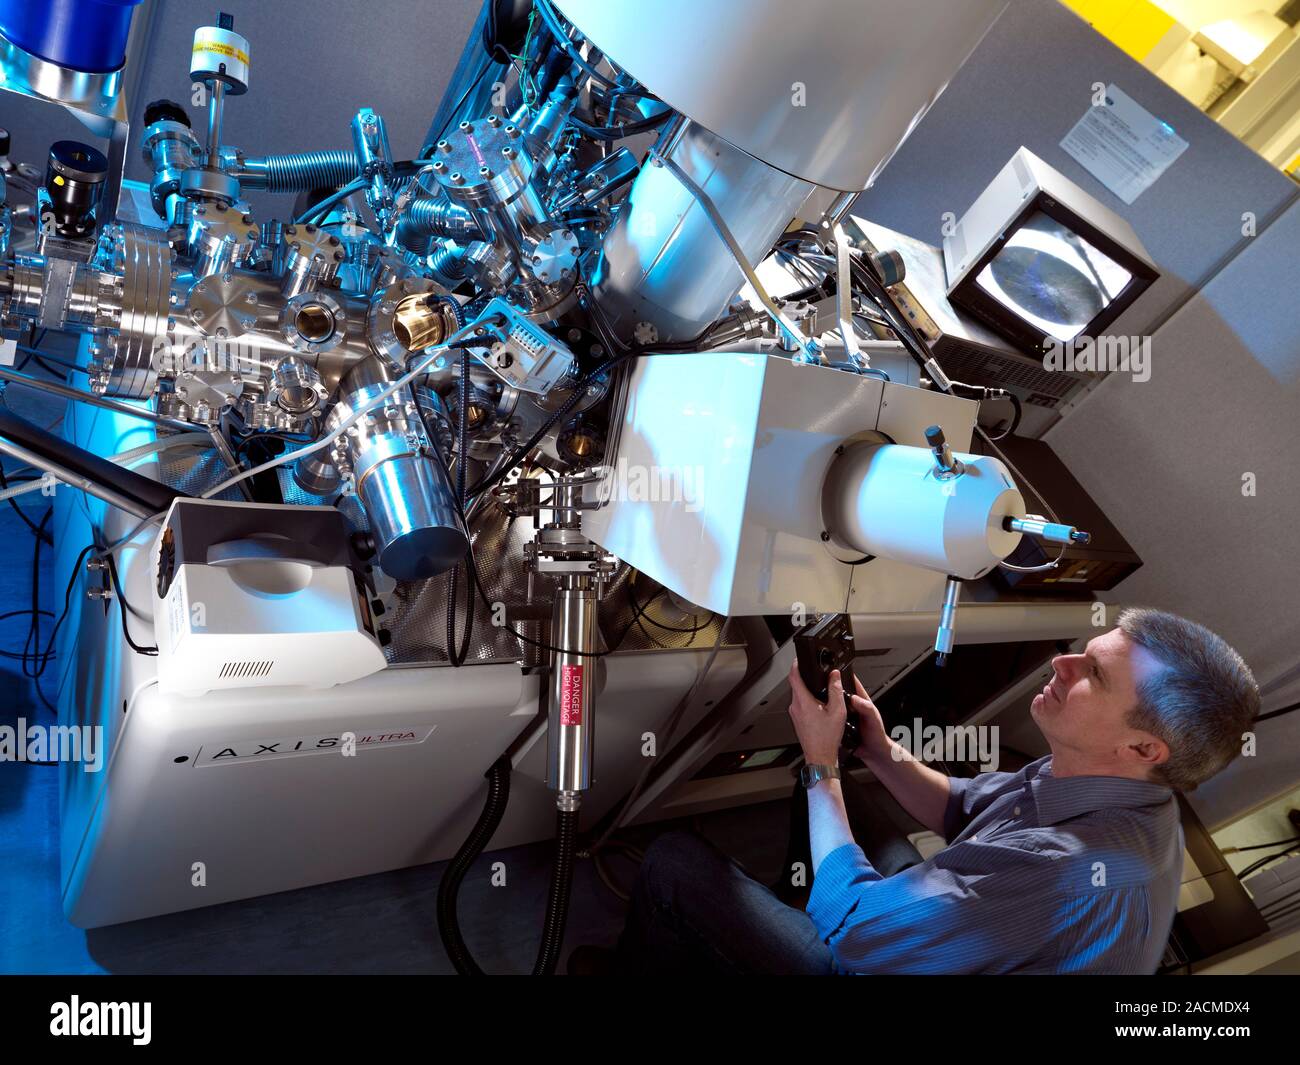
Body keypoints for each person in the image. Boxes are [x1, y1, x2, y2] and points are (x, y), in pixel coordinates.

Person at [611, 608, 1259, 974]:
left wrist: (820, 763)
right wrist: (878, 749)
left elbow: (858, 935)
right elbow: (962, 807)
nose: (1060, 664)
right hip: (961, 934)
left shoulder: (1071, 871)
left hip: (869, 952)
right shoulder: (1121, 781)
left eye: (1091, 672)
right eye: (1082, 651)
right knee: (838, 799)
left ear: (1146, 746)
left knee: (674, 865)